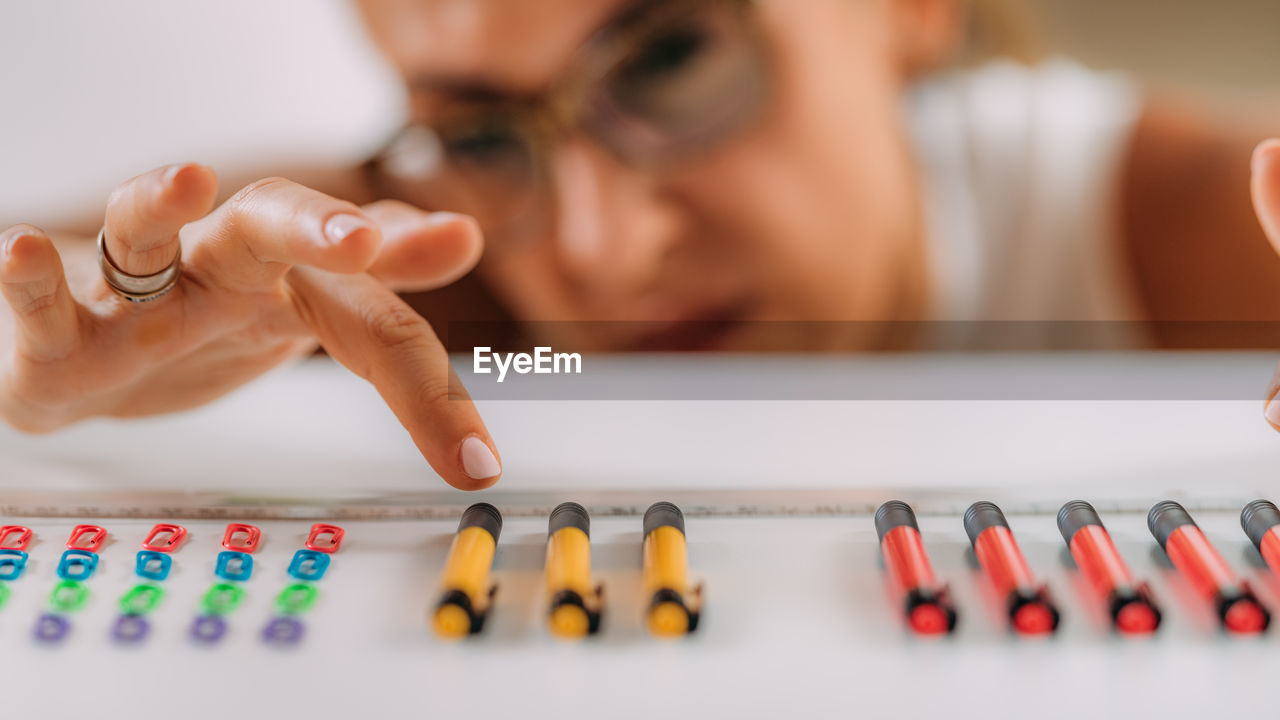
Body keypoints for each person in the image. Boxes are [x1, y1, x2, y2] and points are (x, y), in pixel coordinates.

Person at [2, 0, 1279, 490]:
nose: (603, 251)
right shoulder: (433, 250)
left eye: (672, 60)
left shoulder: (1195, 225)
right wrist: (36, 364)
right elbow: (67, 288)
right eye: (481, 131)